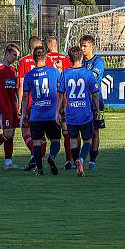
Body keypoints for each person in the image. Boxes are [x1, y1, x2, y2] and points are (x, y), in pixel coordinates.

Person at [58, 45, 101, 177]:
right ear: (81, 57)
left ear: (69, 59)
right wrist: (97, 109)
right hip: (85, 113)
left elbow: (60, 94)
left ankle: (76, 160)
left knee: (73, 140)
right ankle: (81, 159)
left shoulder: (65, 73)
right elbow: (95, 94)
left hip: (71, 114)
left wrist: (57, 112)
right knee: (87, 140)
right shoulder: (88, 73)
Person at [21, 46, 62, 176]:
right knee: (55, 140)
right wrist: (61, 110)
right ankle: (52, 157)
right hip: (51, 114)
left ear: (33, 58)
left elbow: (25, 97)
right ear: (46, 57)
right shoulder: (54, 72)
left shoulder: (28, 75)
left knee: (37, 143)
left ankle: (40, 169)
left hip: (36, 115)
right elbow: (61, 90)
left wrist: (23, 114)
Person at [45, 35, 74, 170]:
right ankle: (69, 160)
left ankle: (47, 157)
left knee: (50, 134)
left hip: (50, 100)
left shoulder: (45, 60)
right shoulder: (66, 59)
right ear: (56, 44)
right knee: (66, 131)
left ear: (47, 45)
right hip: (65, 99)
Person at [17, 36, 43, 169]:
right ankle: (38, 157)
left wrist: (20, 104)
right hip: (44, 103)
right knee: (41, 133)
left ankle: (35, 155)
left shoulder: (23, 61)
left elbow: (21, 85)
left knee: (25, 131)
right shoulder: (46, 60)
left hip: (29, 103)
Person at [81, 35, 106, 170]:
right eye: (82, 45)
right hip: (81, 101)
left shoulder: (98, 62)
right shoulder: (80, 61)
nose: (83, 48)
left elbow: (92, 77)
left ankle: (92, 161)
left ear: (92, 47)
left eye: (85, 46)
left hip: (96, 101)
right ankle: (78, 159)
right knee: (81, 130)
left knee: (95, 131)